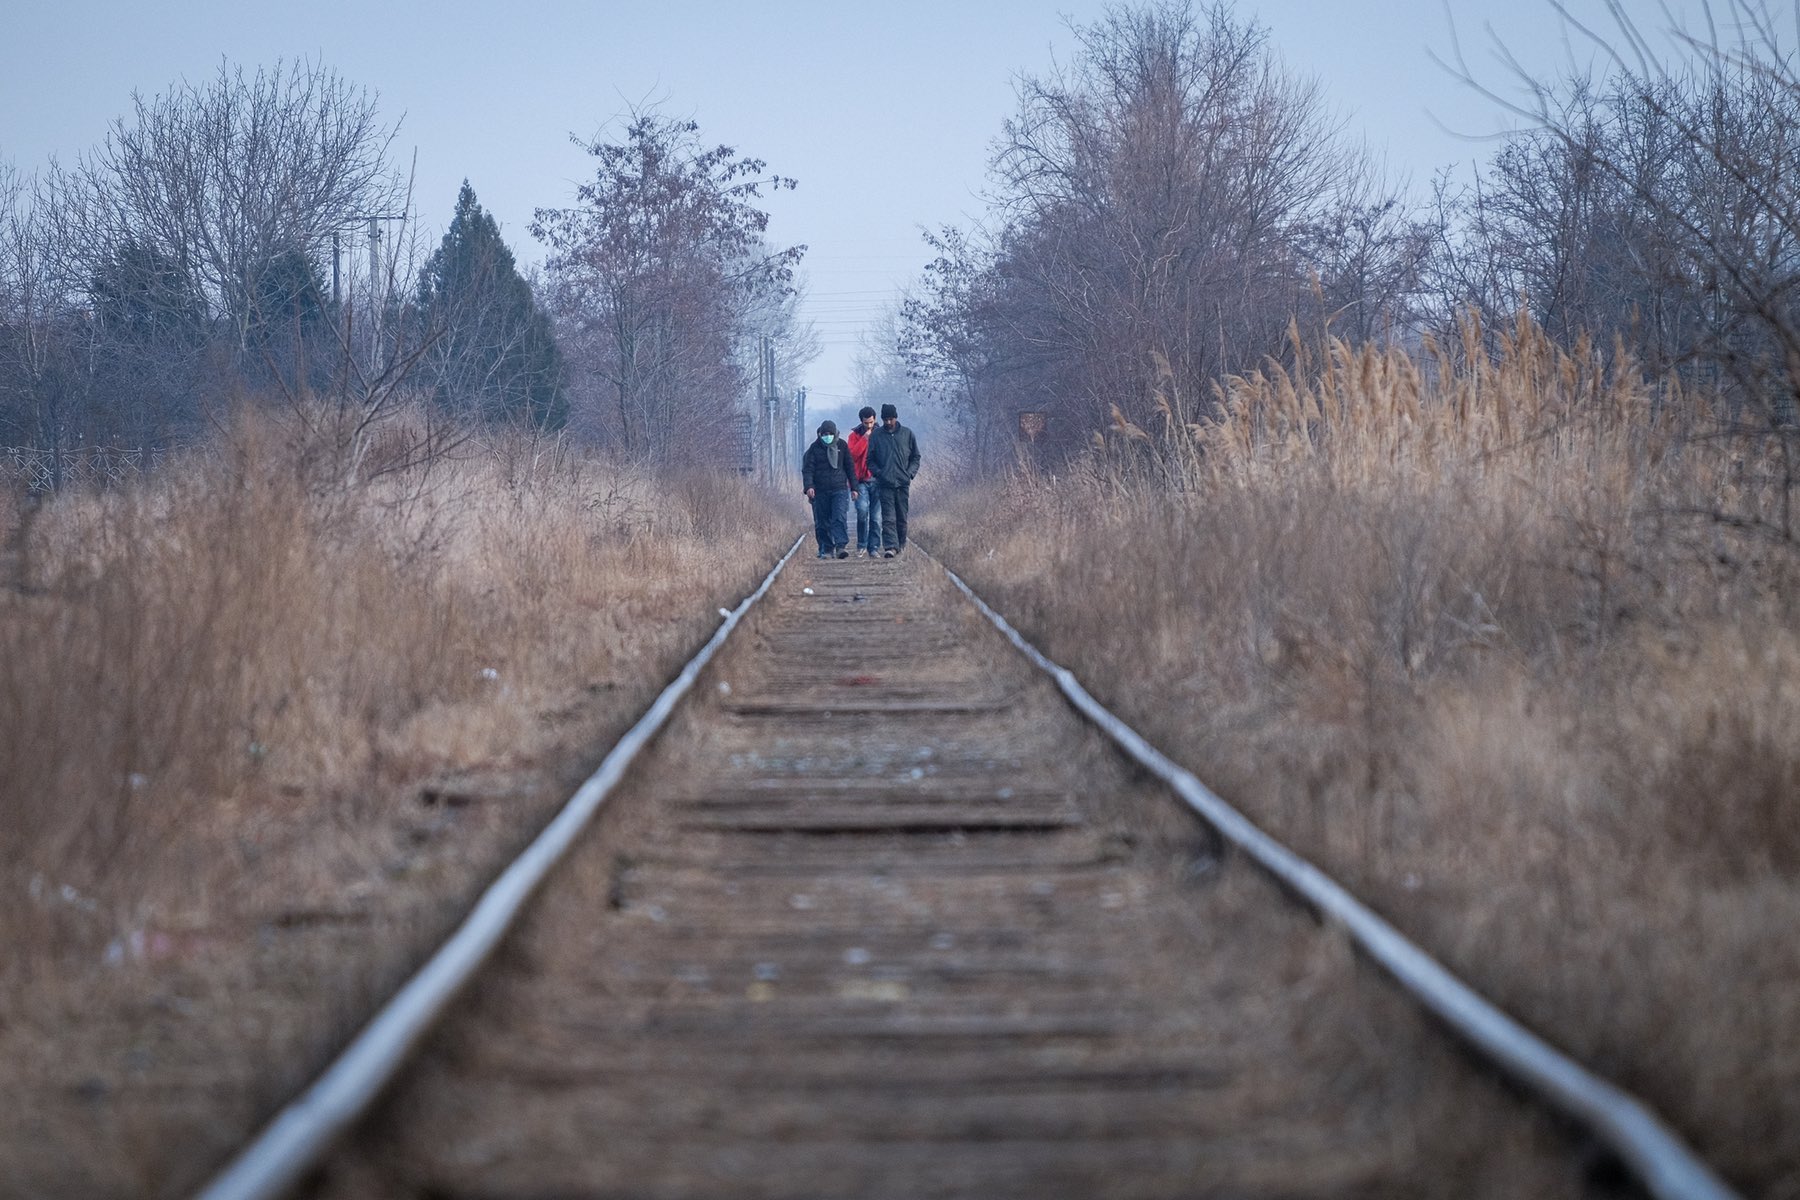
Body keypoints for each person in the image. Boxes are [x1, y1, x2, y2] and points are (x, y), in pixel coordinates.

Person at [865, 402, 921, 558]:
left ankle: (901, 544)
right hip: (885, 484)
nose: (888, 422)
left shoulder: (907, 434)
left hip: (903, 483)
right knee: (888, 517)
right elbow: (870, 460)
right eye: (885, 420)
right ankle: (890, 546)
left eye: (891, 419)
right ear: (882, 419)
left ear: (896, 418)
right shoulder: (876, 436)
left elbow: (916, 457)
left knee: (902, 517)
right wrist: (879, 474)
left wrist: (909, 473)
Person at [801, 419, 856, 558]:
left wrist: (854, 488)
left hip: (840, 489)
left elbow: (850, 468)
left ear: (835, 433)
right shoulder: (814, 448)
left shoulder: (842, 445)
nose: (827, 436)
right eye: (824, 434)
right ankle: (826, 548)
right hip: (820, 491)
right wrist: (809, 487)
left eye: (829, 434)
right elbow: (808, 470)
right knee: (822, 521)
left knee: (839, 517)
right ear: (820, 434)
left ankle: (841, 546)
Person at [845, 406, 882, 557]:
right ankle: (861, 545)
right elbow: (852, 455)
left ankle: (873, 547)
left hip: (878, 480)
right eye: (866, 423)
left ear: (875, 420)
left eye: (871, 422)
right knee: (862, 511)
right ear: (861, 421)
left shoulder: (881, 434)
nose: (869, 426)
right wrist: (864, 439)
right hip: (860, 481)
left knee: (876, 517)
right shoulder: (854, 436)